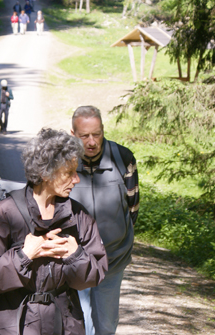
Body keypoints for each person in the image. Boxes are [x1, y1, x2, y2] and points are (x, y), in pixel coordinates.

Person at [0, 128, 108, 335]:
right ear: (45, 173)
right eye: (69, 173)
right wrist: (24, 256)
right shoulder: (7, 212)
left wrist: (75, 255)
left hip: (63, 323)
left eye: (76, 172)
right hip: (15, 324)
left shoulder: (78, 215)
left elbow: (95, 274)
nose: (76, 179)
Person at [69, 106, 140, 335]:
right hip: (74, 262)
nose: (91, 142)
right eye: (84, 136)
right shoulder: (63, 163)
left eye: (97, 134)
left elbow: (133, 207)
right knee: (78, 326)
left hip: (113, 259)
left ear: (103, 130)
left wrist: (117, 238)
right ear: (73, 135)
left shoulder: (123, 158)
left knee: (106, 326)